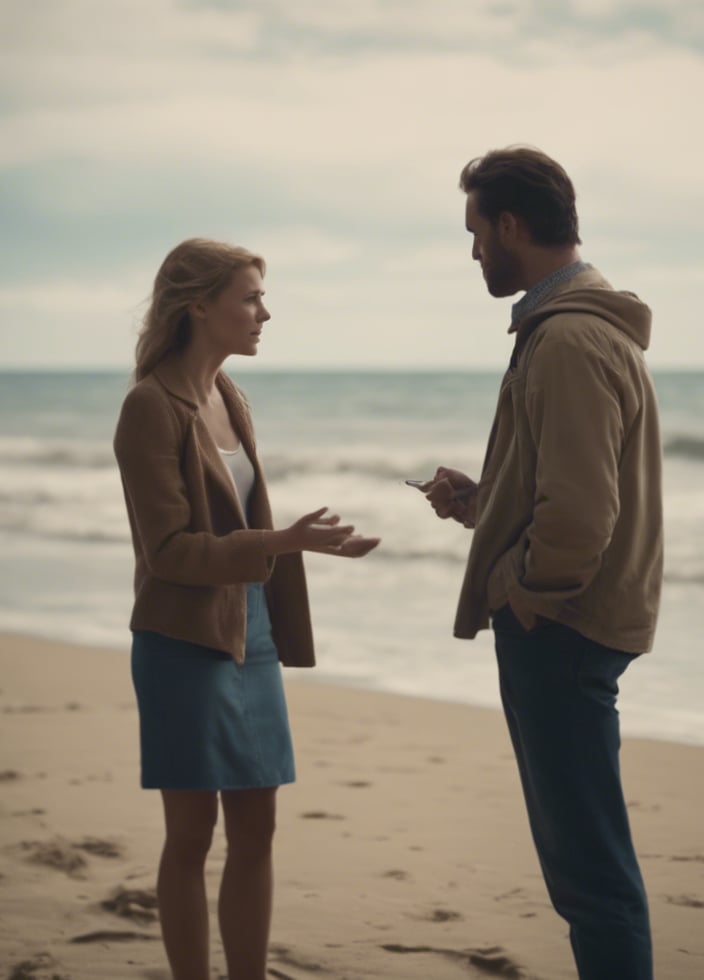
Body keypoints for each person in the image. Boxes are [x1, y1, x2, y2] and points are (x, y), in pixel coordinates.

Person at [418, 147, 662, 980]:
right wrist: (485, 505)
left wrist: (524, 592)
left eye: (477, 233)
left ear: (511, 226)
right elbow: (568, 491)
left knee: (589, 876)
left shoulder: (567, 339)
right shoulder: (577, 331)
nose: (475, 252)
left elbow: (582, 518)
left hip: (562, 627)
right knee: (587, 867)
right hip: (573, 621)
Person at [113, 238, 379, 980]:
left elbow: (237, 526)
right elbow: (167, 551)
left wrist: (305, 544)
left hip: (252, 631)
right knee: (192, 834)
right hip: (184, 639)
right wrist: (280, 538)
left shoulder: (232, 396)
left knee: (257, 829)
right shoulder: (149, 407)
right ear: (200, 306)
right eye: (251, 297)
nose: (264, 312)